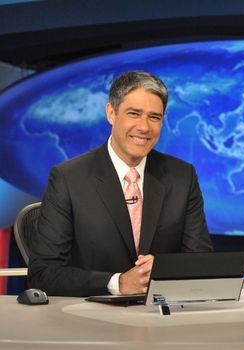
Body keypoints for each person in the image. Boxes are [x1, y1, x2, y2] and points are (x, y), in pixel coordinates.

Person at [28, 71, 213, 297]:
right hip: (91, 320)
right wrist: (118, 283)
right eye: (134, 114)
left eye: (154, 117)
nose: (144, 127)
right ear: (111, 113)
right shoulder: (68, 178)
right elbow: (43, 273)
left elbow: (201, 263)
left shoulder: (183, 176)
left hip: (162, 319)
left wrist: (166, 271)